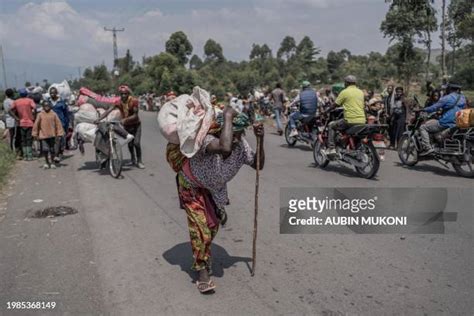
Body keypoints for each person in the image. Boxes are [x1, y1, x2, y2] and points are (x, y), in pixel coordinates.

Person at [166, 107, 265, 294]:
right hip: (191, 187)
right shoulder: (208, 141)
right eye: (232, 133)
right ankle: (202, 271)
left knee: (211, 229)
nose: (235, 138)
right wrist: (228, 113)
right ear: (221, 130)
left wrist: (261, 140)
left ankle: (204, 251)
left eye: (238, 134)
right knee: (200, 229)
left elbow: (258, 162)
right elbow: (224, 146)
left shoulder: (241, 146)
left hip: (214, 191)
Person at [96, 85, 145, 169]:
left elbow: (135, 115)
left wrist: (125, 120)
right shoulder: (118, 102)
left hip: (136, 125)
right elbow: (108, 110)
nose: (123, 96)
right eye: (121, 94)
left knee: (136, 143)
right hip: (127, 126)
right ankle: (132, 157)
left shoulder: (134, 101)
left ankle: (139, 161)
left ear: (128, 93)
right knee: (130, 144)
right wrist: (99, 119)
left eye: (125, 94)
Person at [420, 83, 466, 155]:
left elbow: (434, 107)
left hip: (446, 122)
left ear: (449, 89)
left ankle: (427, 148)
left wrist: (423, 109)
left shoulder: (446, 98)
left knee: (423, 127)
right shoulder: (463, 98)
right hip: (457, 122)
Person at [327, 75, 366, 155]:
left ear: (347, 83)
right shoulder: (360, 92)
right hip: (362, 120)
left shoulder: (344, 92)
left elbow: (335, 104)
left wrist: (326, 110)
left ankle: (331, 148)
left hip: (350, 120)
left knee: (331, 125)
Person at [32, 100, 64, 169]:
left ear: (50, 106)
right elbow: (36, 125)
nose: (46, 107)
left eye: (48, 105)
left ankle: (52, 162)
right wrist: (35, 134)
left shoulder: (54, 114)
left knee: (52, 150)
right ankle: (46, 162)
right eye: (45, 106)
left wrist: (59, 133)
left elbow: (58, 124)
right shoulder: (40, 114)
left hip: (52, 135)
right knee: (45, 149)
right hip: (43, 135)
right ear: (43, 107)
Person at [8, 88, 36, 161]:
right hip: (30, 122)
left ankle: (25, 155)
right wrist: (34, 117)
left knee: (23, 139)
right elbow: (35, 109)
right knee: (29, 139)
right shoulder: (30, 101)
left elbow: (9, 110)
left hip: (21, 123)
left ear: (19, 94)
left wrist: (16, 118)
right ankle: (30, 155)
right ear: (26, 94)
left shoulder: (16, 102)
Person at [49, 87, 69, 160]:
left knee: (61, 139)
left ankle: (60, 151)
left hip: (61, 123)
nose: (52, 94)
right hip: (51, 124)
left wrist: (67, 124)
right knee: (53, 139)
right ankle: (55, 153)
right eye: (50, 93)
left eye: (53, 93)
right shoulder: (48, 102)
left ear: (56, 93)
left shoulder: (61, 103)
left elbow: (66, 114)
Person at [2, 88, 21, 155]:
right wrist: (17, 118)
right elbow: (14, 111)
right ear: (12, 94)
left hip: (8, 120)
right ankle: (15, 150)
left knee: (11, 135)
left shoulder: (5, 101)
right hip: (13, 120)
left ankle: (12, 150)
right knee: (15, 136)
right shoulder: (12, 102)